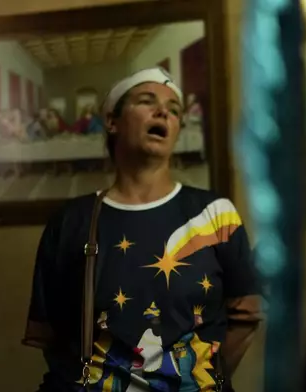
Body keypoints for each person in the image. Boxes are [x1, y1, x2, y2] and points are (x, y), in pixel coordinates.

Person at [22, 67, 263, 392]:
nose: (163, 111)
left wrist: (199, 382)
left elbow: (245, 318)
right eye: (146, 101)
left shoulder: (216, 215)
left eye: (174, 110)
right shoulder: (70, 221)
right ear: (112, 122)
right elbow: (51, 337)